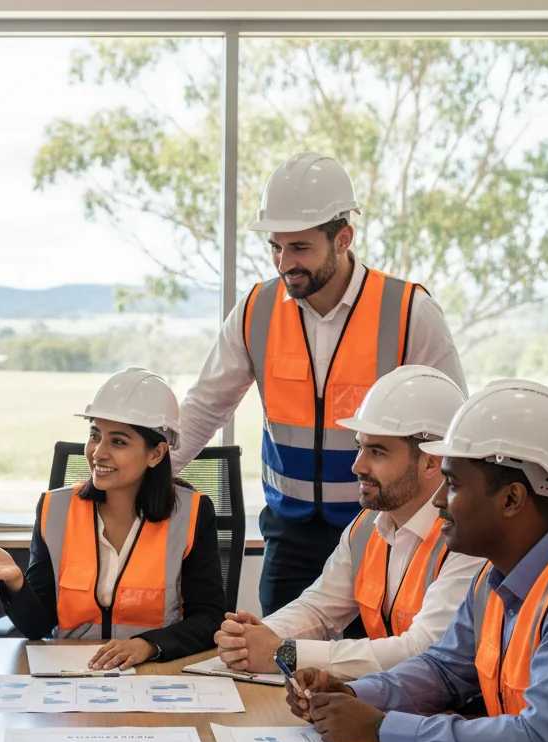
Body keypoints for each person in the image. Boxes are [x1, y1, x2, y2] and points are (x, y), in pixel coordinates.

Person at [172, 152, 466, 616]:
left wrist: (450, 520)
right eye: (275, 247)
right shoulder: (256, 310)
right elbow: (206, 406)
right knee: (277, 651)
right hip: (290, 534)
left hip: (383, 527)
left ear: (343, 238)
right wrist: (148, 473)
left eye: (300, 248)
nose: (284, 263)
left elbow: (452, 428)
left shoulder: (409, 311)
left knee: (371, 657)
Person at [284, 380, 548, 742]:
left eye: (453, 484)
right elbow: (444, 670)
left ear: (512, 498)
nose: (440, 500)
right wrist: (352, 692)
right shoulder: (494, 576)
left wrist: (383, 729)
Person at [215, 366, 484, 680]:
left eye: (377, 452)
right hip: (393, 696)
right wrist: (253, 638)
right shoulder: (368, 527)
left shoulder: (469, 540)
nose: (357, 466)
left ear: (431, 463)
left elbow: (421, 650)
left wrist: (283, 652)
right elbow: (319, 608)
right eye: (360, 447)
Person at [0, 367, 226, 670]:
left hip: (153, 671)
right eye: (95, 436)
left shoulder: (191, 514)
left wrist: (148, 645)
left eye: (118, 441)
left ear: (156, 454)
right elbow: (38, 626)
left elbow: (209, 618)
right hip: (73, 672)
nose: (98, 453)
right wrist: (16, 583)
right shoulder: (55, 510)